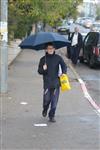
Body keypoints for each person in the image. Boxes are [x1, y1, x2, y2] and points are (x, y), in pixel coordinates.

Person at [38, 42, 67, 122]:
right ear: (46, 50)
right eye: (48, 48)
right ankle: (45, 109)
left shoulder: (58, 58)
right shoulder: (43, 59)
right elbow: (39, 71)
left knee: (54, 102)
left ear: (54, 49)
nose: (50, 50)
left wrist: (63, 73)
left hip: (56, 83)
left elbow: (64, 66)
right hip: (47, 84)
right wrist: (43, 69)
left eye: (52, 48)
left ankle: (52, 116)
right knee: (46, 100)